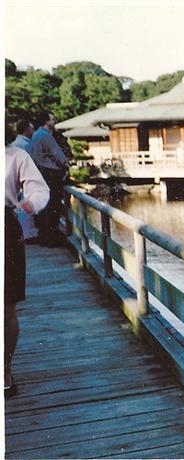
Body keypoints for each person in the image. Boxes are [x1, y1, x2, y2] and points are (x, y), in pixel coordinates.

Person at [4, 124, 50, 398]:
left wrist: (31, 203)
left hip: (5, 229)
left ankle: (4, 370)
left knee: (6, 307)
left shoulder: (16, 156)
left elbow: (39, 189)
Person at [28, 110, 69, 247]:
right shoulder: (46, 136)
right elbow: (59, 156)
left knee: (44, 207)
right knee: (53, 206)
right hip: (51, 174)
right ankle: (52, 239)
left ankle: (44, 237)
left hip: (39, 173)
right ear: (46, 121)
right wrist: (65, 165)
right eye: (52, 119)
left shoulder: (35, 135)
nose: (54, 120)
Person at [10, 120, 41, 243]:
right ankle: (28, 234)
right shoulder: (25, 145)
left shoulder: (14, 144)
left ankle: (25, 233)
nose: (33, 131)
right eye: (32, 128)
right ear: (26, 129)